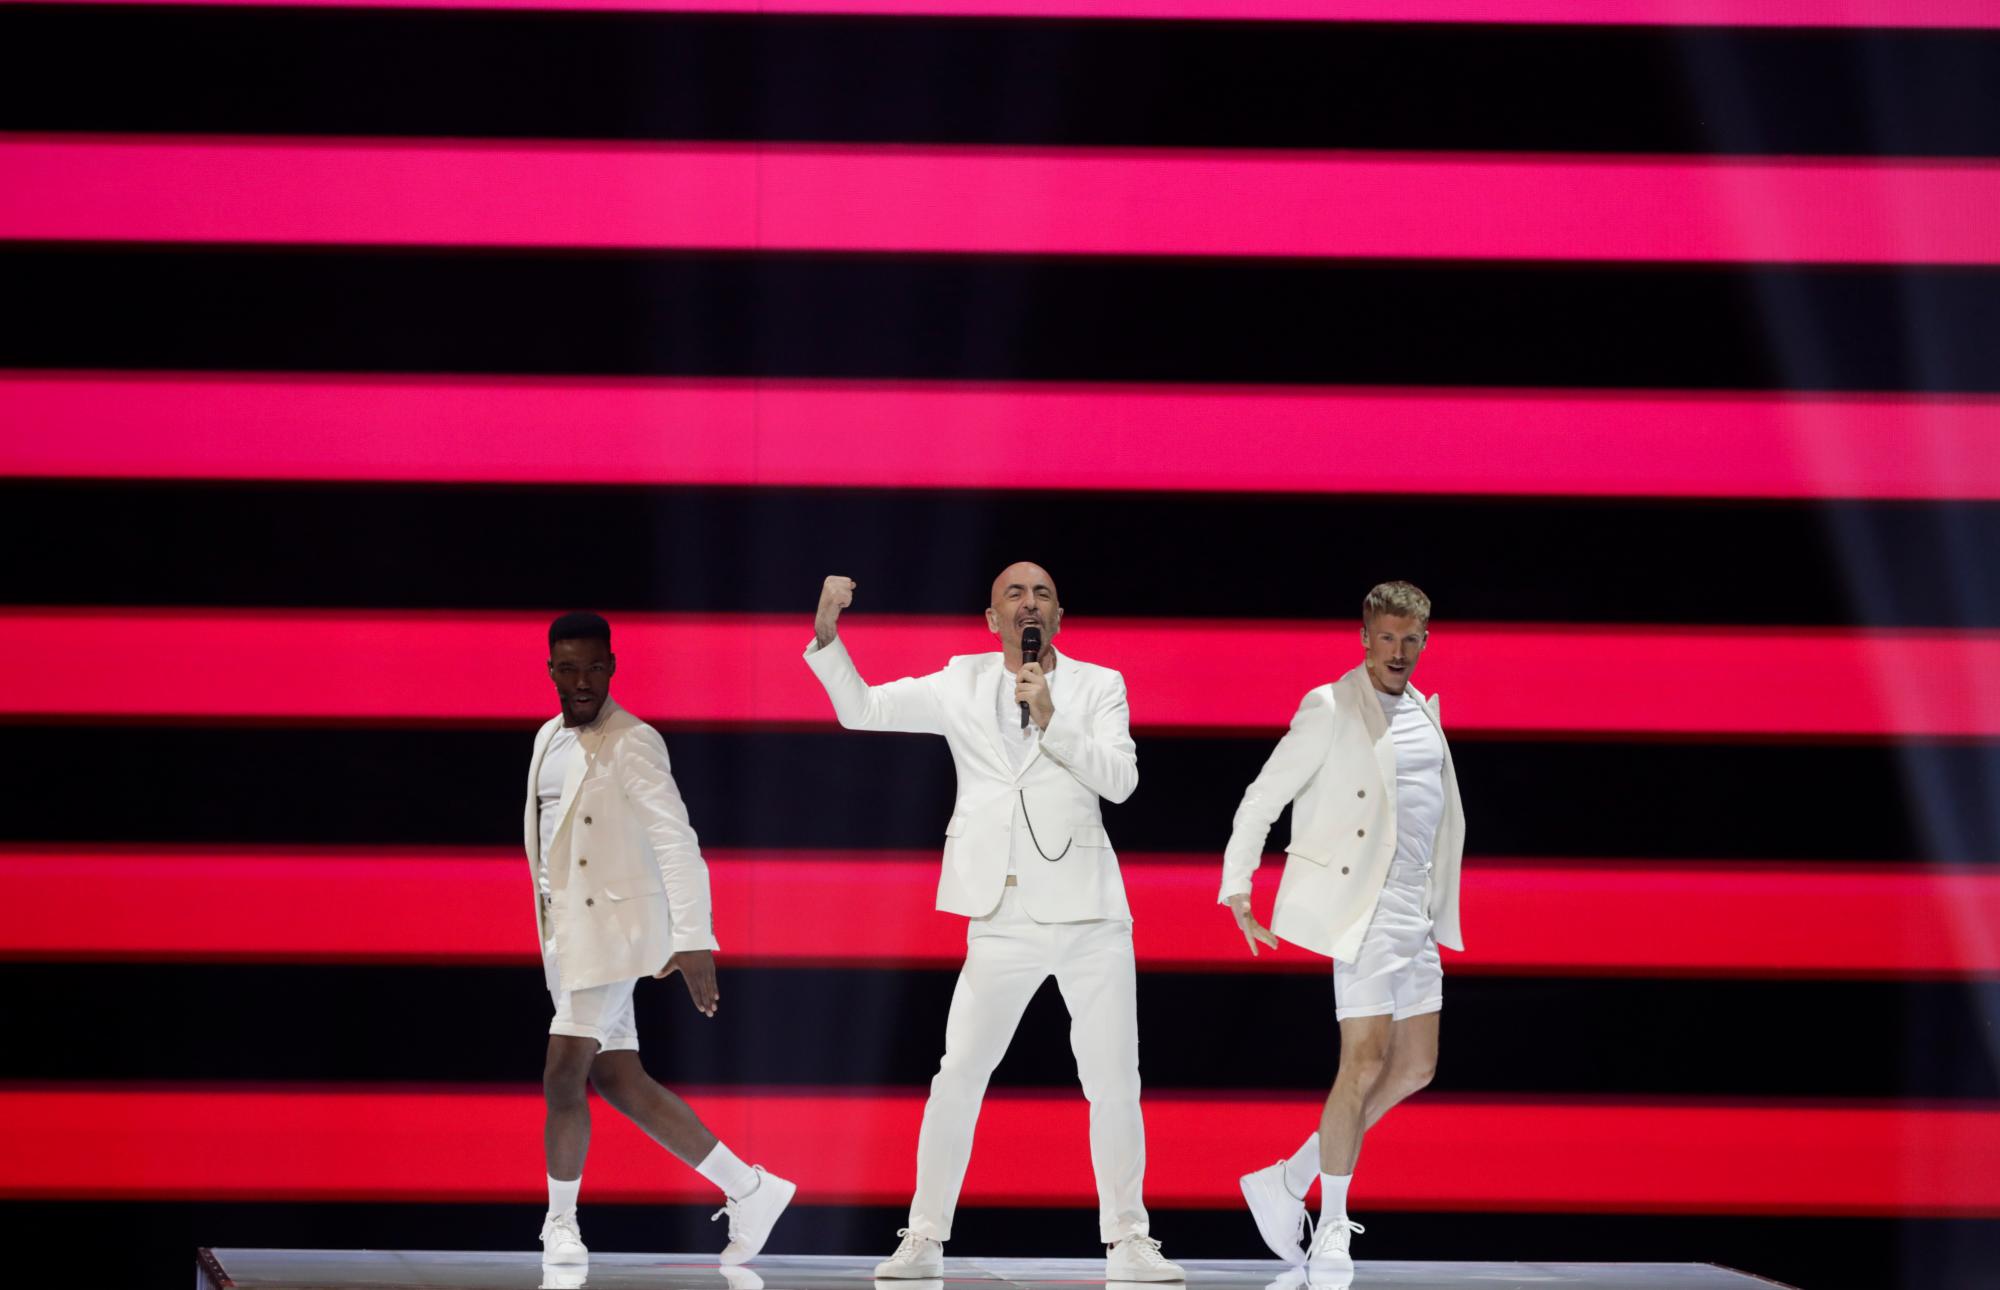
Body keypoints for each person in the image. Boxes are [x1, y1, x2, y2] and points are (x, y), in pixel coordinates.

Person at [804, 565, 1184, 1282]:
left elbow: (1122, 781)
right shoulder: (959, 681)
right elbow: (862, 710)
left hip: (1088, 910)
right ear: (991, 617)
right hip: (998, 911)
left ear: (1059, 617)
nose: (1028, 603)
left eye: (1041, 594)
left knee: (1112, 1078)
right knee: (958, 1077)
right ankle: (923, 1236)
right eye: (1015, 593)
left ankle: (1129, 1237)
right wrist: (827, 636)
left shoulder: (1098, 686)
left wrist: (1050, 716)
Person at [527, 612, 794, 1267]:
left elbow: (675, 839)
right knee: (618, 1078)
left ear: (611, 667)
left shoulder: (633, 741)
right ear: (552, 671)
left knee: (563, 1074)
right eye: (569, 668)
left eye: (594, 666)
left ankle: (561, 1224)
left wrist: (694, 937)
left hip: (613, 935)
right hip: (566, 939)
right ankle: (751, 1188)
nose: (582, 680)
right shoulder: (546, 739)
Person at [1219, 582, 1467, 1278]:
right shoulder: (1329, 706)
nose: (1397, 651)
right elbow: (1263, 795)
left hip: (1415, 911)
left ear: (1424, 641)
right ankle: (1331, 1227)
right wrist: (1238, 886)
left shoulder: (1423, 711)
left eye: (1409, 639)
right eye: (1386, 638)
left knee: (1415, 1066)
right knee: (1361, 1063)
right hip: (1363, 908)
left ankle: (1288, 1178)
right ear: (1365, 639)